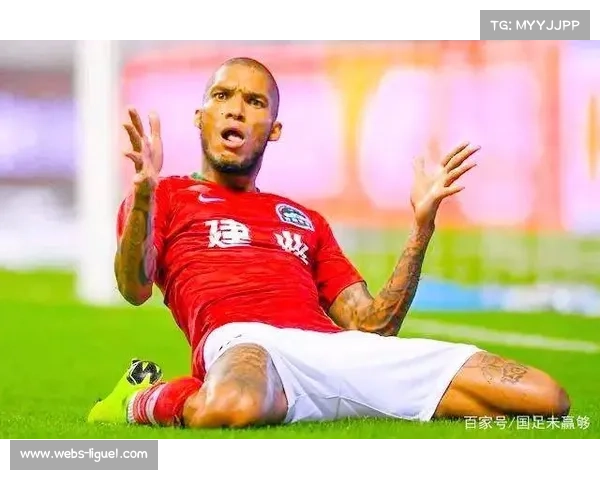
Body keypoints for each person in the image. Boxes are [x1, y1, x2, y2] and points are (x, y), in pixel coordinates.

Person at [87, 57, 570, 429]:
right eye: (222, 95)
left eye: (254, 102)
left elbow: (372, 326)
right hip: (246, 344)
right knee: (231, 406)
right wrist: (144, 194)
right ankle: (141, 399)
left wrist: (421, 229)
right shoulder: (164, 195)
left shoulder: (305, 220)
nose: (235, 108)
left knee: (545, 398)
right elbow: (134, 287)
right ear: (200, 116)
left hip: (337, 350)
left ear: (274, 129)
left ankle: (315, 401)